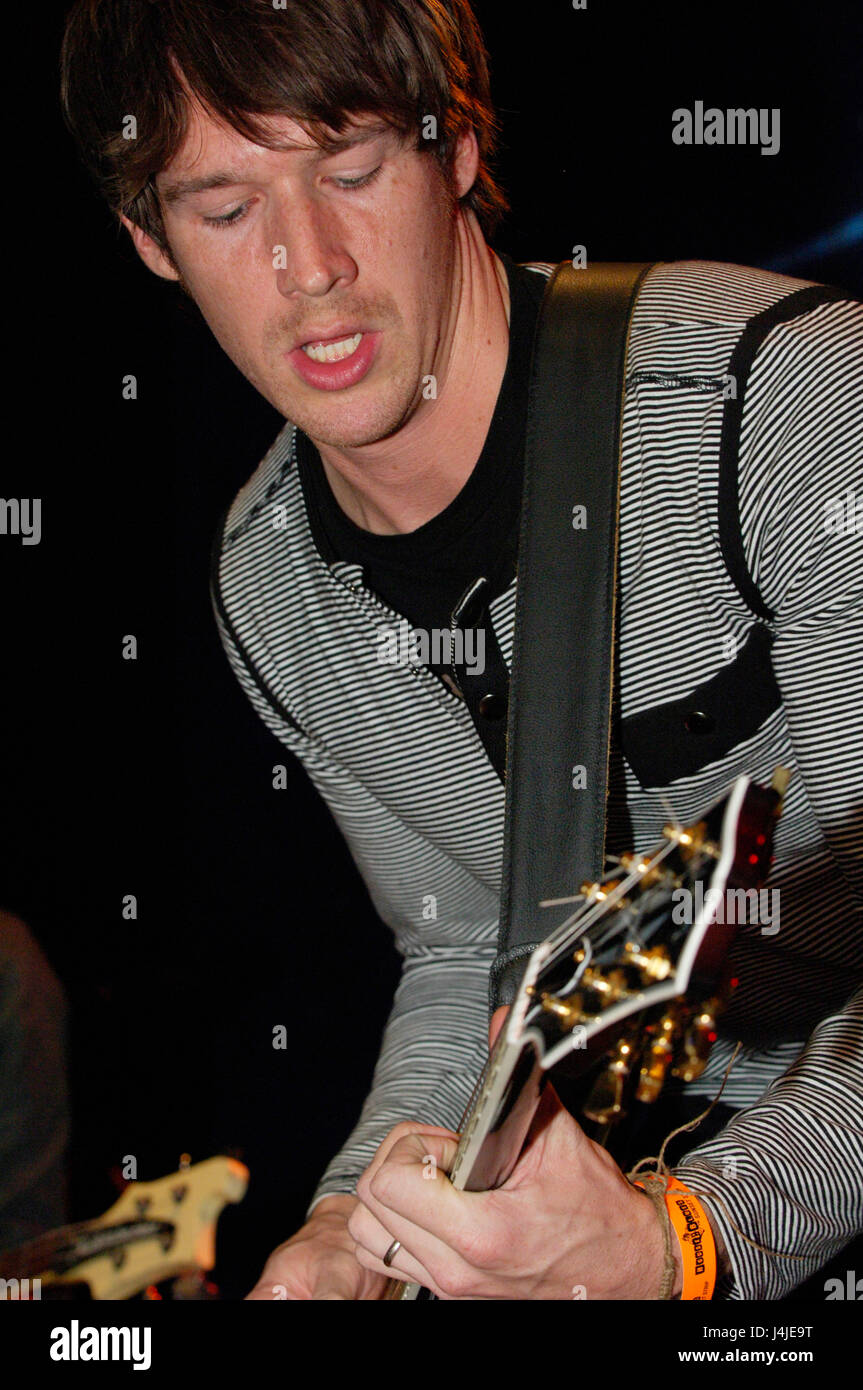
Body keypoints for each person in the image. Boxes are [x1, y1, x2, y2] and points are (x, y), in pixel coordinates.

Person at [60, 0, 862, 1300]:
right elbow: (465, 947)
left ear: (460, 153)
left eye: (355, 169)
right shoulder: (268, 584)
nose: (307, 262)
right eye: (224, 209)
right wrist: (351, 1228)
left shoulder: (790, 411)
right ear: (149, 239)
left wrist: (685, 1241)